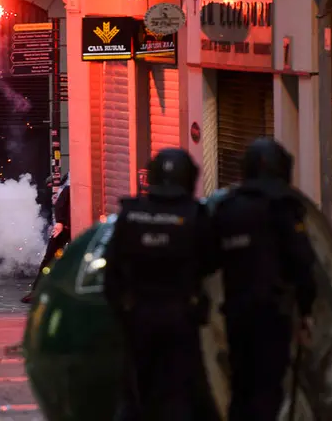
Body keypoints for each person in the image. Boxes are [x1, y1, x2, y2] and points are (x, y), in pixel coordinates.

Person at [103, 149, 216, 421]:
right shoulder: (196, 216)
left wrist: (121, 312)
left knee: (135, 391)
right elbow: (211, 264)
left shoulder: (131, 215)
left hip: (138, 316)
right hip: (180, 317)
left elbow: (112, 269)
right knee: (179, 391)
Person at [212, 137, 316, 421]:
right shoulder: (283, 207)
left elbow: (207, 258)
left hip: (236, 313)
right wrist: (306, 310)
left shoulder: (227, 208)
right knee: (267, 390)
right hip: (271, 314)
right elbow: (302, 261)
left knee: (242, 388)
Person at [21, 172, 71, 304]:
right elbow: (61, 204)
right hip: (65, 227)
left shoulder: (69, 187)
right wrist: (60, 222)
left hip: (67, 227)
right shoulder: (69, 188)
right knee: (49, 259)